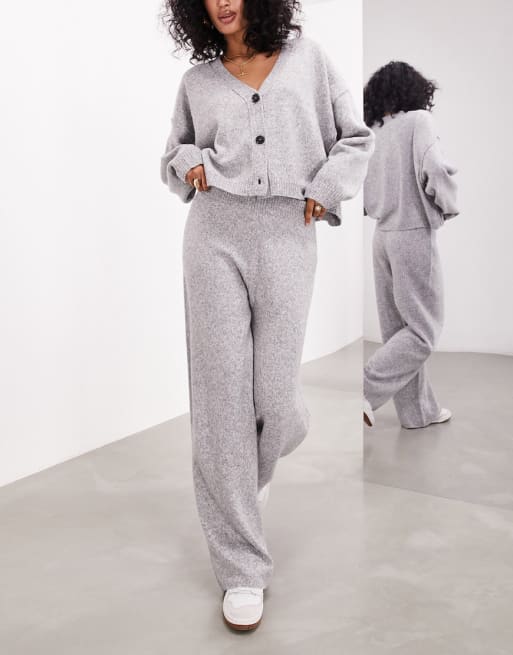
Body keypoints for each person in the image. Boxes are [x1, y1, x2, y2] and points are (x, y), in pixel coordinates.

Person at [160, 0, 375, 630]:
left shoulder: (309, 60)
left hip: (287, 233)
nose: (224, 1)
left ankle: (251, 468)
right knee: (221, 399)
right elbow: (173, 153)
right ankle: (242, 569)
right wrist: (186, 162)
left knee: (276, 401)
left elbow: (356, 138)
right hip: (214, 235)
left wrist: (325, 189)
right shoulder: (198, 81)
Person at [362, 61, 459, 430]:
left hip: (381, 237)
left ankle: (418, 413)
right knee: (423, 331)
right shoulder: (419, 121)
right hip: (411, 232)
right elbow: (434, 169)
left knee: (397, 331)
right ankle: (365, 391)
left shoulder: (373, 131)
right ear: (415, 90)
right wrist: (447, 206)